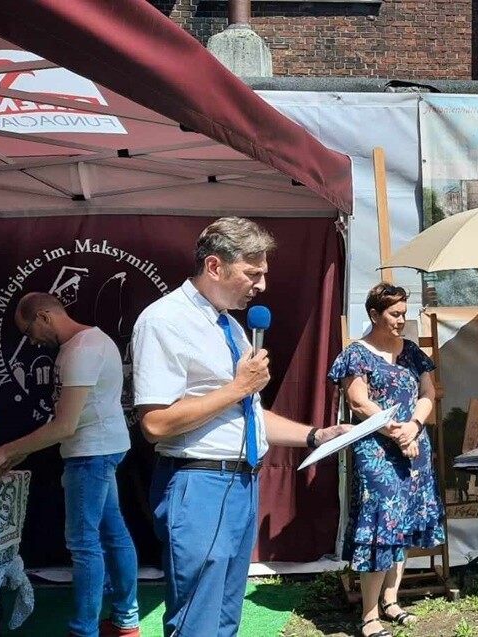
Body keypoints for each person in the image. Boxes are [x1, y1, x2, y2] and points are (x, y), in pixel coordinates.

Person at [131, 216, 350, 637]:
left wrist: (313, 436)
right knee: (197, 618)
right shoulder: (164, 321)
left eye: (264, 273)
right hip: (198, 483)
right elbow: (155, 424)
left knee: (227, 616)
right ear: (214, 266)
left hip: (242, 483)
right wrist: (237, 388)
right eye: (253, 273)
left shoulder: (230, 324)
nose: (262, 285)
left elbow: (248, 411)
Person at [0, 293, 140, 637]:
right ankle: (126, 620)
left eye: (29, 330)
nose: (31, 340)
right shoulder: (92, 342)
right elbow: (73, 417)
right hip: (103, 448)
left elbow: (65, 425)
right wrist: (24, 450)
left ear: (44, 316)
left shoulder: (81, 350)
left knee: (85, 544)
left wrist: (5, 451)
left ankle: (84, 630)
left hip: (90, 455)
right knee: (113, 534)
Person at [328, 282, 447, 637]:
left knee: (404, 523)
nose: (401, 320)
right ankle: (369, 615)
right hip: (377, 451)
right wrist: (397, 433)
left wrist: (413, 426)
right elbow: (359, 403)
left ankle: (392, 601)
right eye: (394, 314)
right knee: (381, 526)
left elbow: (428, 393)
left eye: (403, 313)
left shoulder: (411, 352)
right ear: (374, 315)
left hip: (414, 444)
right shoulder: (357, 354)